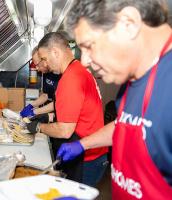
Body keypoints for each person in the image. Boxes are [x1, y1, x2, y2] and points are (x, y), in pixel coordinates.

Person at [57, 0, 172, 198]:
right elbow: (126, 123)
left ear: (129, 23)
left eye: (89, 46)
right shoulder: (133, 75)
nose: (84, 61)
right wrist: (83, 144)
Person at [27, 32, 108, 186]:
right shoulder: (78, 70)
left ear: (55, 52)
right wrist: (42, 115)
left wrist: (38, 126)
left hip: (87, 158)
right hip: (93, 152)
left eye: (44, 59)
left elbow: (65, 130)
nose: (46, 64)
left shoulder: (70, 79)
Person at [20, 46, 61, 123]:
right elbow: (46, 95)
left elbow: (58, 103)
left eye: (37, 64)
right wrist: (31, 105)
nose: (37, 69)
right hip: (53, 117)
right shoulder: (47, 72)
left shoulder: (64, 75)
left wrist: (34, 112)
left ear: (45, 59)